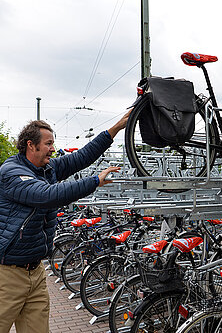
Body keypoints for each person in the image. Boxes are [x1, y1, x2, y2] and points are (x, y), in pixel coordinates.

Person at [0, 109, 131, 333]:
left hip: (36, 272)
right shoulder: (12, 172)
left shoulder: (46, 168)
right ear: (31, 145)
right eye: (49, 143)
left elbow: (82, 157)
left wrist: (116, 128)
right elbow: (47, 195)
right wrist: (94, 182)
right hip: (7, 274)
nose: (53, 148)